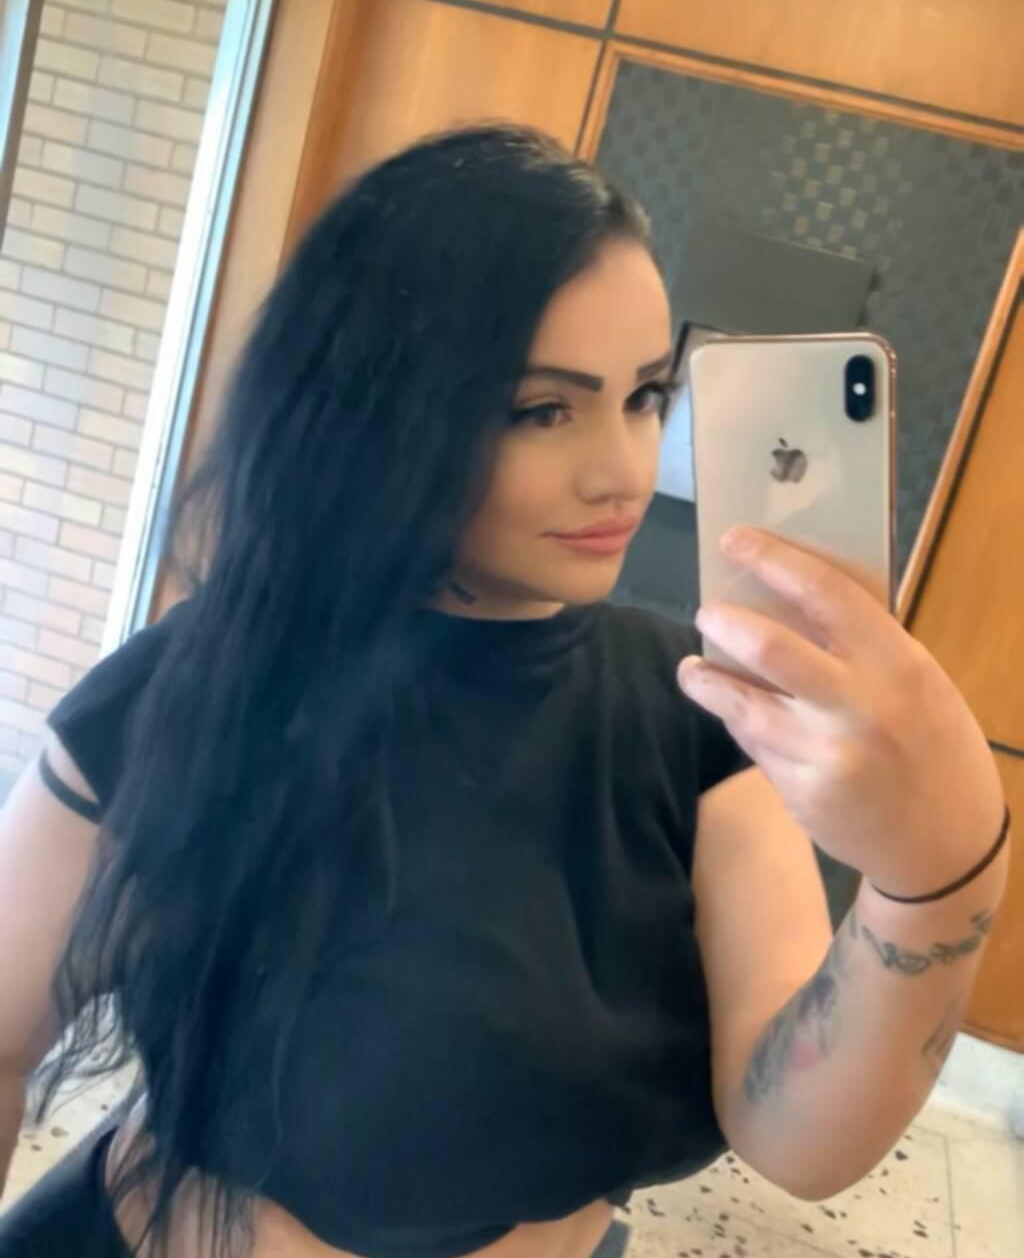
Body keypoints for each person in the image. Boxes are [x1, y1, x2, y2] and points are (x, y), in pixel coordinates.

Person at [0, 123, 1009, 1258]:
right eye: (544, 409)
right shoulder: (200, 680)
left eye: (645, 396)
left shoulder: (694, 718)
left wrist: (937, 878)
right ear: (380, 408)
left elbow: (794, 1134)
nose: (623, 469)